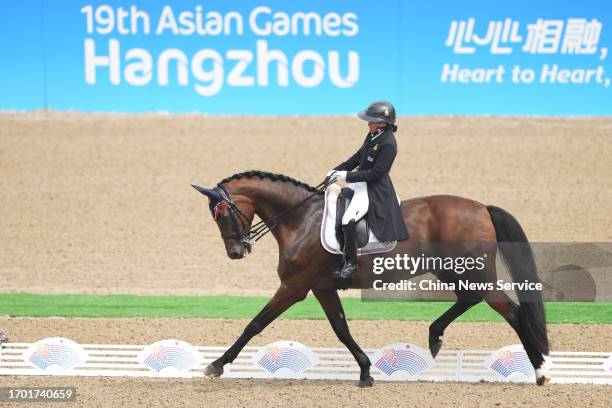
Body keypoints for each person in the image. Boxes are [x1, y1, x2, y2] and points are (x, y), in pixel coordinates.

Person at [327, 100, 409, 288]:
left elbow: (376, 174)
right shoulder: (373, 135)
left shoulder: (389, 144)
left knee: (348, 219)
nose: (368, 123)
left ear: (382, 122)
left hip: (373, 189)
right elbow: (357, 158)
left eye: (371, 120)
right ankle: (340, 254)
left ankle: (350, 264)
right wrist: (335, 171)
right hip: (360, 183)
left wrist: (347, 176)